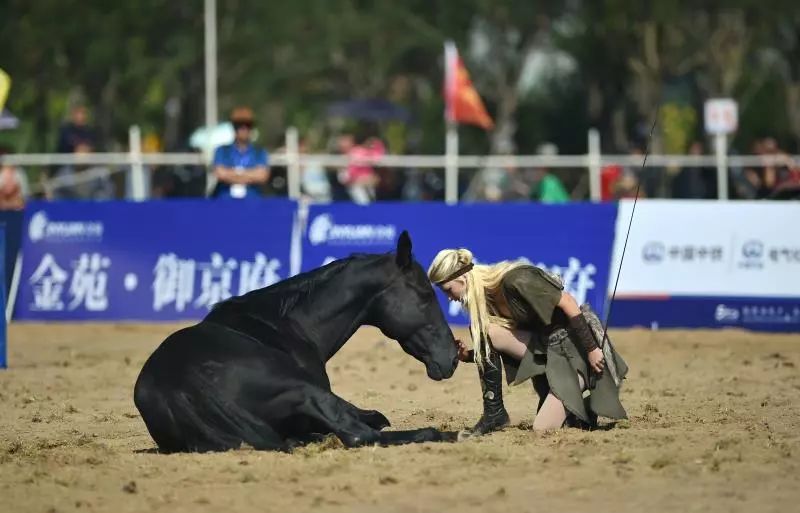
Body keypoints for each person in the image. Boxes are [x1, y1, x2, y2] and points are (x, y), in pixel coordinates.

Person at [427, 249, 628, 436]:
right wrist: (468, 356)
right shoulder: (488, 298)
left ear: (462, 278)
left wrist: (592, 349)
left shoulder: (516, 280)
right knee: (483, 329)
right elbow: (497, 345)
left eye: (447, 290)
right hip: (547, 350)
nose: (449, 298)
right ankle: (494, 414)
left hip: (575, 350)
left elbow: (568, 302)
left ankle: (586, 407)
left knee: (542, 429)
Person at [211, 107, 270, 199]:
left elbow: (262, 176)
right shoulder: (222, 150)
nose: (244, 129)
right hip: (225, 201)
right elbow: (220, 173)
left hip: (252, 202)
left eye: (248, 126)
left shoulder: (260, 152)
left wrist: (233, 173)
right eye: (239, 126)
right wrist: (250, 174)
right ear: (234, 127)